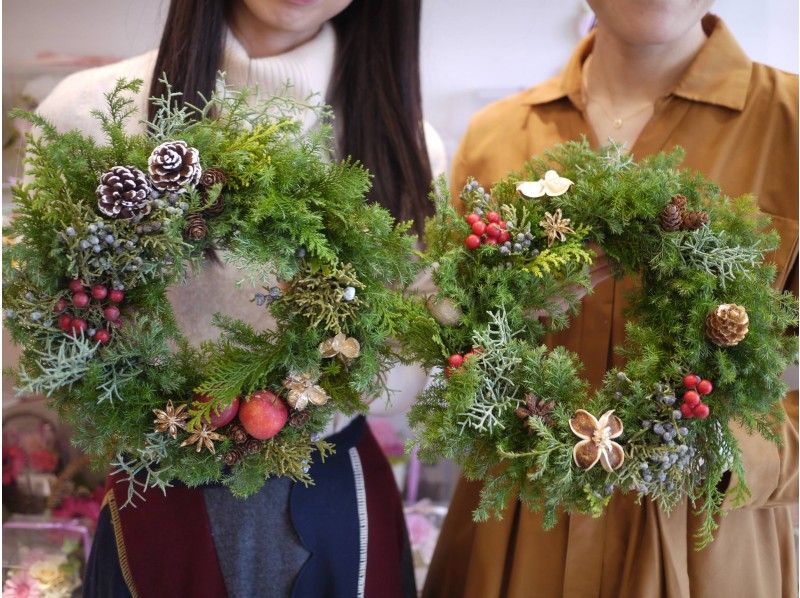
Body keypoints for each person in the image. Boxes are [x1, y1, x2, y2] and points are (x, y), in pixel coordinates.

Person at [32, 1, 446, 596]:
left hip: (334, 503)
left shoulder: (404, 143)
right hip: (157, 493)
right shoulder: (90, 111)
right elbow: (37, 345)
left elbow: (403, 376)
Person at [424, 4, 797, 598]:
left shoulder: (790, 124)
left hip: (701, 544)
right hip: (514, 536)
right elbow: (442, 342)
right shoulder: (494, 136)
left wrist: (738, 451)